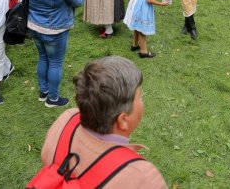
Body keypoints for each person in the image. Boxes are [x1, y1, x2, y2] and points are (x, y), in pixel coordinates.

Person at [36, 56, 168, 188]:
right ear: (123, 120)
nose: (142, 101)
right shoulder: (142, 177)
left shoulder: (66, 120)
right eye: (140, 97)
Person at [10, 0, 83, 107]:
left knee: (43, 57)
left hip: (34, 27)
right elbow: (78, 1)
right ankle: (53, 99)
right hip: (55, 30)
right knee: (55, 62)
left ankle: (44, 92)